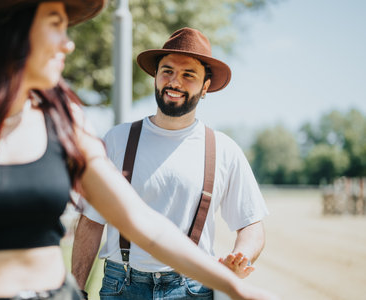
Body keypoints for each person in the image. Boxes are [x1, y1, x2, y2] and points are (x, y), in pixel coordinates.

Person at [0, 0, 278, 298]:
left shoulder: (66, 122)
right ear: (6, 28)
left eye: (188, 75)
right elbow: (92, 223)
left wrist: (235, 287)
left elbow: (143, 224)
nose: (68, 43)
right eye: (55, 24)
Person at [72, 27, 269, 300]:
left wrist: (241, 257)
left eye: (188, 75)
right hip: (122, 285)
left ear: (206, 87)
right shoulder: (118, 140)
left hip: (193, 288)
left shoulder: (223, 149)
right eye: (167, 71)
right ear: (155, 76)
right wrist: (76, 290)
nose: (174, 82)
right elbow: (91, 223)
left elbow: (251, 225)